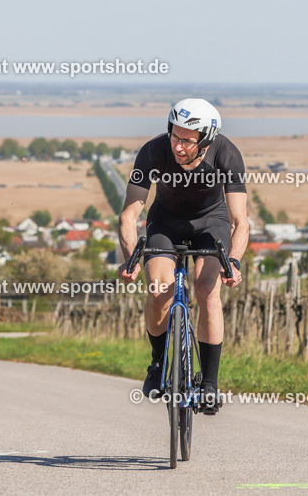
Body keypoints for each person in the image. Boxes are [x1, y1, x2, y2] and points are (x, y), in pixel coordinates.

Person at [118, 98, 248, 414]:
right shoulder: (153, 151)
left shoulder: (227, 154)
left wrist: (233, 261)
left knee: (207, 292)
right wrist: (130, 258)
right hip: (166, 221)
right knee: (159, 289)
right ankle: (158, 362)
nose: (178, 146)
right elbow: (128, 216)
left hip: (211, 222)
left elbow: (239, 221)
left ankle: (209, 385)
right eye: (175, 136)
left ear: (206, 141)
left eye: (188, 140)